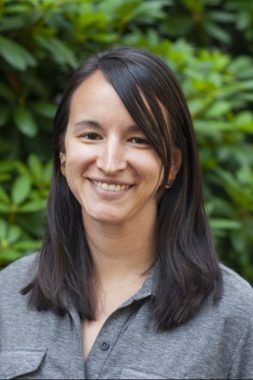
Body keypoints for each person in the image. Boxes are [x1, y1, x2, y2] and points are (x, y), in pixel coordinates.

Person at [0, 47, 252, 380]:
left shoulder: (235, 316)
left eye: (139, 140)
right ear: (63, 153)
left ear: (173, 164)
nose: (110, 162)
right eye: (91, 135)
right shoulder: (8, 296)